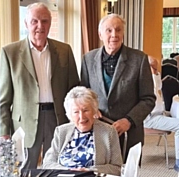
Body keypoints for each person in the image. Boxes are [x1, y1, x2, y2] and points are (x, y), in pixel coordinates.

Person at [0, 2, 79, 169]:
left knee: (56, 166)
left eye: (45, 21)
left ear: (50, 23)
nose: (40, 26)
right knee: (25, 168)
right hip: (24, 122)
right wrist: (3, 133)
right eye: (35, 21)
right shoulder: (10, 53)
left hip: (57, 118)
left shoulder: (64, 51)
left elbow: (74, 90)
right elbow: (3, 100)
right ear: (26, 24)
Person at [80, 13, 156, 163]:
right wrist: (92, 109)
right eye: (109, 30)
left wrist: (129, 120)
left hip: (129, 132)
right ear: (100, 34)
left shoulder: (139, 59)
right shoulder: (88, 59)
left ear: (123, 33)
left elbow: (148, 99)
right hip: (97, 131)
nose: (114, 35)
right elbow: (83, 93)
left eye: (118, 30)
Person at [42, 86, 123, 176]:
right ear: (69, 114)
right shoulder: (61, 131)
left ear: (94, 110)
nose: (82, 117)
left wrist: (89, 170)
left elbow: (117, 168)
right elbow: (47, 164)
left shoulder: (108, 132)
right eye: (76, 112)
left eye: (86, 110)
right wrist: (69, 171)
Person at [144, 56, 179, 171]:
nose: (155, 70)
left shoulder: (151, 77)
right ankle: (178, 163)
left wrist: (155, 72)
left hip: (160, 113)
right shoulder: (139, 81)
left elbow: (159, 86)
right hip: (150, 118)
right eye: (153, 68)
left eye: (156, 67)